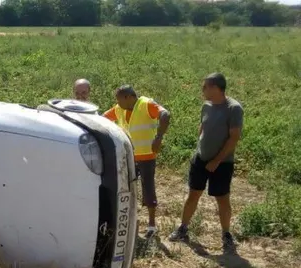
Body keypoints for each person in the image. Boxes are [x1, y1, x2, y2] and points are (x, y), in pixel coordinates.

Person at [168, 73, 243, 253]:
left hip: (222, 164)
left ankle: (226, 234)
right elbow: (202, 129)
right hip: (200, 160)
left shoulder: (234, 108)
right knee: (193, 195)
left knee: (222, 198)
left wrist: (217, 161)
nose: (202, 90)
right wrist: (199, 150)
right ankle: (183, 228)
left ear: (216, 88)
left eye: (205, 87)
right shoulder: (206, 106)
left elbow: (234, 138)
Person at [104, 85, 171, 238]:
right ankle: (127, 222)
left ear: (128, 97)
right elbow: (103, 119)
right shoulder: (119, 109)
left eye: (119, 99)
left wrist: (159, 138)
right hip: (128, 157)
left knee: (148, 188)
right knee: (125, 188)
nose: (117, 102)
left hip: (146, 156)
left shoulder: (146, 104)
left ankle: (152, 225)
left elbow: (165, 115)